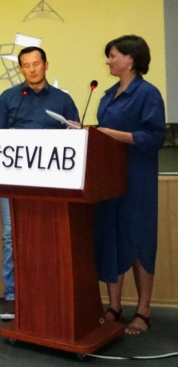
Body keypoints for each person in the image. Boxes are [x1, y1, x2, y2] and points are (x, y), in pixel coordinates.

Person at [0, 46, 79, 320]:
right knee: (11, 235)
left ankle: (52, 293)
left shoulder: (63, 99)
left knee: (52, 234)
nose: (32, 69)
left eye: (36, 64)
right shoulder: (8, 97)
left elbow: (76, 140)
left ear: (46, 65)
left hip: (52, 180)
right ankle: (12, 296)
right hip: (13, 178)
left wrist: (74, 132)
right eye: (26, 65)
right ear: (20, 69)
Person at [92, 35, 166, 335]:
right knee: (113, 237)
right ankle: (114, 307)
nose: (108, 61)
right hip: (108, 180)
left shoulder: (148, 93)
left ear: (130, 59)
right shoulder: (107, 94)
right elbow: (102, 135)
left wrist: (111, 134)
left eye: (113, 55)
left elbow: (154, 137)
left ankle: (143, 310)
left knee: (139, 240)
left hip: (137, 178)